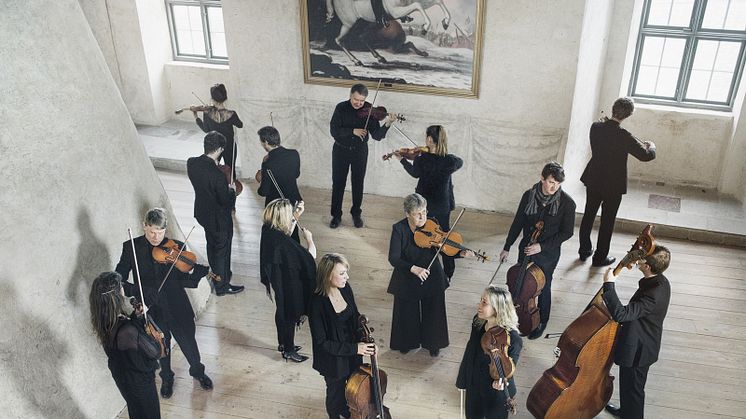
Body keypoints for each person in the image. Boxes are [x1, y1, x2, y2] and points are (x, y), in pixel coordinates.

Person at [115, 208, 214, 399]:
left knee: (188, 341)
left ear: (165, 230)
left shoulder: (175, 246)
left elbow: (184, 279)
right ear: (144, 226)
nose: (155, 236)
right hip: (151, 305)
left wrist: (194, 273)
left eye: (160, 232)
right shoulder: (131, 247)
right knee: (161, 346)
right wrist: (126, 288)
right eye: (151, 231)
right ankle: (167, 378)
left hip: (176, 303)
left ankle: (198, 371)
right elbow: (120, 273)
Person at [499, 161, 576, 340]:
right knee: (521, 282)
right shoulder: (529, 196)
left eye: (558, 184)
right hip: (526, 248)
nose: (554, 187)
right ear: (542, 179)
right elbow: (518, 221)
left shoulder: (567, 203)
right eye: (551, 182)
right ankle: (515, 316)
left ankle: (542, 321)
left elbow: (567, 232)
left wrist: (541, 246)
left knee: (543, 286)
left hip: (547, 253)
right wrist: (507, 246)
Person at [388, 193, 470, 356]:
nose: (423, 216)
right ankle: (407, 341)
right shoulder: (399, 229)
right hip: (407, 273)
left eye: (424, 211)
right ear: (407, 214)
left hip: (431, 273)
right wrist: (413, 268)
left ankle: (433, 343)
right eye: (417, 213)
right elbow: (393, 258)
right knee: (406, 309)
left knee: (434, 309)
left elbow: (443, 247)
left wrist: (459, 254)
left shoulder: (432, 224)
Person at [579, 97, 656, 267]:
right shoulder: (624, 136)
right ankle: (599, 258)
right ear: (628, 115)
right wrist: (651, 146)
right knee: (607, 221)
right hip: (613, 184)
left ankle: (584, 250)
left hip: (594, 177)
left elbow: (602, 140)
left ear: (613, 108)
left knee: (589, 214)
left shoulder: (596, 127)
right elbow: (646, 156)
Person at [603, 245, 671, 419]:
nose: (638, 260)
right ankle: (626, 412)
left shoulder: (653, 295)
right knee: (627, 385)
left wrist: (609, 284)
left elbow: (621, 314)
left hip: (639, 350)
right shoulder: (660, 280)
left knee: (634, 390)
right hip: (639, 340)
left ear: (647, 266)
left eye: (642, 259)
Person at [309, 253, 376, 419]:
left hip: (353, 354)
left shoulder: (345, 288)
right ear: (328, 276)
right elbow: (322, 342)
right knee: (335, 395)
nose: (347, 276)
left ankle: (350, 413)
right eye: (342, 273)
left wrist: (366, 341)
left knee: (353, 391)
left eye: (346, 272)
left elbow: (356, 317)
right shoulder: (316, 304)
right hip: (333, 361)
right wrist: (355, 348)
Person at [393, 124, 463, 279]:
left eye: (427, 137)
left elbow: (414, 173)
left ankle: (423, 268)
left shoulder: (423, 158)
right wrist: (442, 154)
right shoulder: (450, 161)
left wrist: (402, 160)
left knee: (423, 236)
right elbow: (460, 161)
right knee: (445, 237)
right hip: (443, 205)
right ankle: (448, 273)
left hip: (424, 205)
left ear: (430, 139)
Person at [90, 271, 161, 419]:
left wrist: (137, 316)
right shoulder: (127, 330)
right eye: (121, 285)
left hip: (123, 377)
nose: (123, 288)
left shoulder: (104, 321)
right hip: (138, 381)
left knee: (136, 412)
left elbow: (125, 346)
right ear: (116, 295)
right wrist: (149, 325)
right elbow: (155, 352)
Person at [329, 83, 395, 229]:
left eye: (362, 100)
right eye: (355, 99)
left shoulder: (370, 110)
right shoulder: (340, 108)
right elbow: (334, 131)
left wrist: (387, 123)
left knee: (358, 183)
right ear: (350, 95)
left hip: (360, 151)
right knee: (338, 183)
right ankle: (336, 216)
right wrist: (353, 131)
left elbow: (377, 136)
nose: (358, 103)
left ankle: (356, 214)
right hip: (340, 150)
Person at [187, 131, 245, 296]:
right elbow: (226, 201)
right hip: (219, 218)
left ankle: (220, 274)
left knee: (211, 245)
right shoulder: (218, 176)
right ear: (219, 149)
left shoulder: (192, 163)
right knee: (222, 249)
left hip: (202, 213)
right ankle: (222, 286)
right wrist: (232, 191)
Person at [260, 198, 317, 362]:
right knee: (291, 313)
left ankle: (283, 343)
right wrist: (309, 239)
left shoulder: (268, 229)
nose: (292, 216)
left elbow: (284, 232)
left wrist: (296, 216)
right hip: (289, 282)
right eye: (289, 215)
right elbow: (309, 258)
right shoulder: (284, 245)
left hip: (278, 279)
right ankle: (289, 350)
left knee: (282, 309)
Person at [456, 285, 523, 419]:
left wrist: (501, 382)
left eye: (484, 302)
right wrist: (462, 379)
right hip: (474, 382)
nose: (479, 305)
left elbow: (508, 368)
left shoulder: (513, 338)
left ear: (498, 308)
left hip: (495, 391)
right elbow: (470, 351)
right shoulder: (478, 322)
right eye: (481, 300)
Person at [255, 125, 303, 242]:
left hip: (277, 206)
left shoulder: (267, 164)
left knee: (276, 234)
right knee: (293, 230)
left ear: (266, 142)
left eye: (262, 142)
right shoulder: (294, 154)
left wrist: (260, 179)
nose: (262, 145)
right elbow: (296, 174)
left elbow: (264, 191)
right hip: (293, 200)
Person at [193, 83, 243, 178]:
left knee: (212, 168)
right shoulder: (231, 114)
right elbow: (240, 125)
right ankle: (232, 189)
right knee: (231, 170)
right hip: (229, 145)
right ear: (225, 97)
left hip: (213, 146)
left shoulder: (207, 112)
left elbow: (206, 129)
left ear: (212, 99)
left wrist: (196, 117)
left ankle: (214, 188)